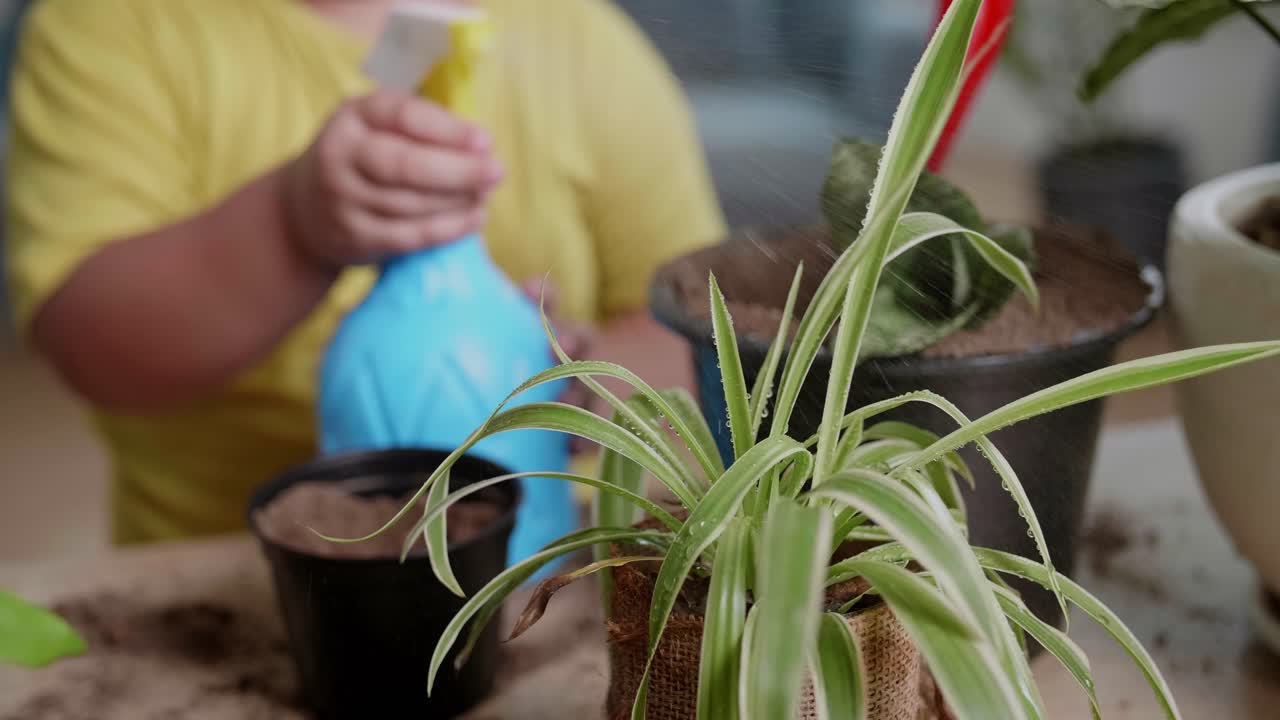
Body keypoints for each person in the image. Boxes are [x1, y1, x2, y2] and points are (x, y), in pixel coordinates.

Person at [5, 0, 725, 544]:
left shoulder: (577, 37)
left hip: (551, 565)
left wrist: (587, 377)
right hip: (214, 558)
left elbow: (698, 332)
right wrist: (291, 228)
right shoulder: (110, 24)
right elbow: (95, 343)